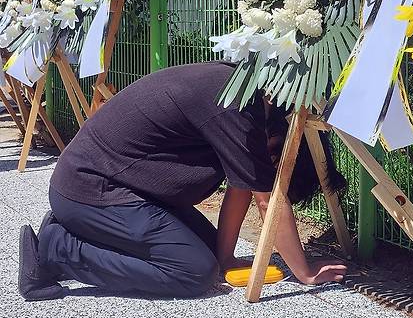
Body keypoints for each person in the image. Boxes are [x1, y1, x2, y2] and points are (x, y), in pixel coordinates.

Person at [18, 61, 348, 301]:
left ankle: (79, 227)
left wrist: (227, 258)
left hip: (111, 185)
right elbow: (267, 201)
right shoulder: (238, 112)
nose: (272, 176)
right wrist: (304, 273)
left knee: (210, 254)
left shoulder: (244, 94)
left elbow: (243, 190)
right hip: (91, 188)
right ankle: (55, 249)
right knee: (192, 271)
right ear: (278, 147)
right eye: (280, 172)